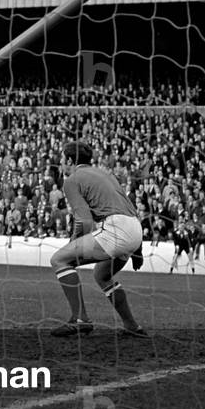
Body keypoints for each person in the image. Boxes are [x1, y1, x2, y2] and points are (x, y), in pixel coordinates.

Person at [49, 141, 147, 337]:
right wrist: (138, 250)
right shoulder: (106, 174)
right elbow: (131, 209)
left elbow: (84, 220)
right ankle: (132, 326)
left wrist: (73, 244)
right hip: (135, 230)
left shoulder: (72, 180)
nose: (60, 162)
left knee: (59, 260)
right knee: (101, 275)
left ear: (69, 160)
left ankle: (80, 319)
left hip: (115, 230)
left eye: (61, 158)